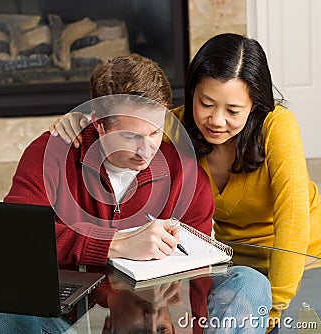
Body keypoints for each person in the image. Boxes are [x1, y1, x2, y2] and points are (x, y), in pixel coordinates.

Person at [0, 53, 271, 334]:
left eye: (154, 132)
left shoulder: (185, 175)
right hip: (67, 312)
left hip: (154, 300)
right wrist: (112, 245)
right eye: (129, 136)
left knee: (250, 283)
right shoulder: (50, 154)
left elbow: (199, 282)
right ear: (98, 124)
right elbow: (15, 240)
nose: (146, 150)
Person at [49, 33, 321, 330]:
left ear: (255, 105)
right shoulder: (173, 130)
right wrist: (77, 121)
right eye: (206, 103)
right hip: (234, 263)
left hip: (304, 263)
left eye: (233, 111)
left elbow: (292, 223)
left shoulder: (277, 126)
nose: (216, 121)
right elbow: (125, 122)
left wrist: (273, 314)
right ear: (191, 93)